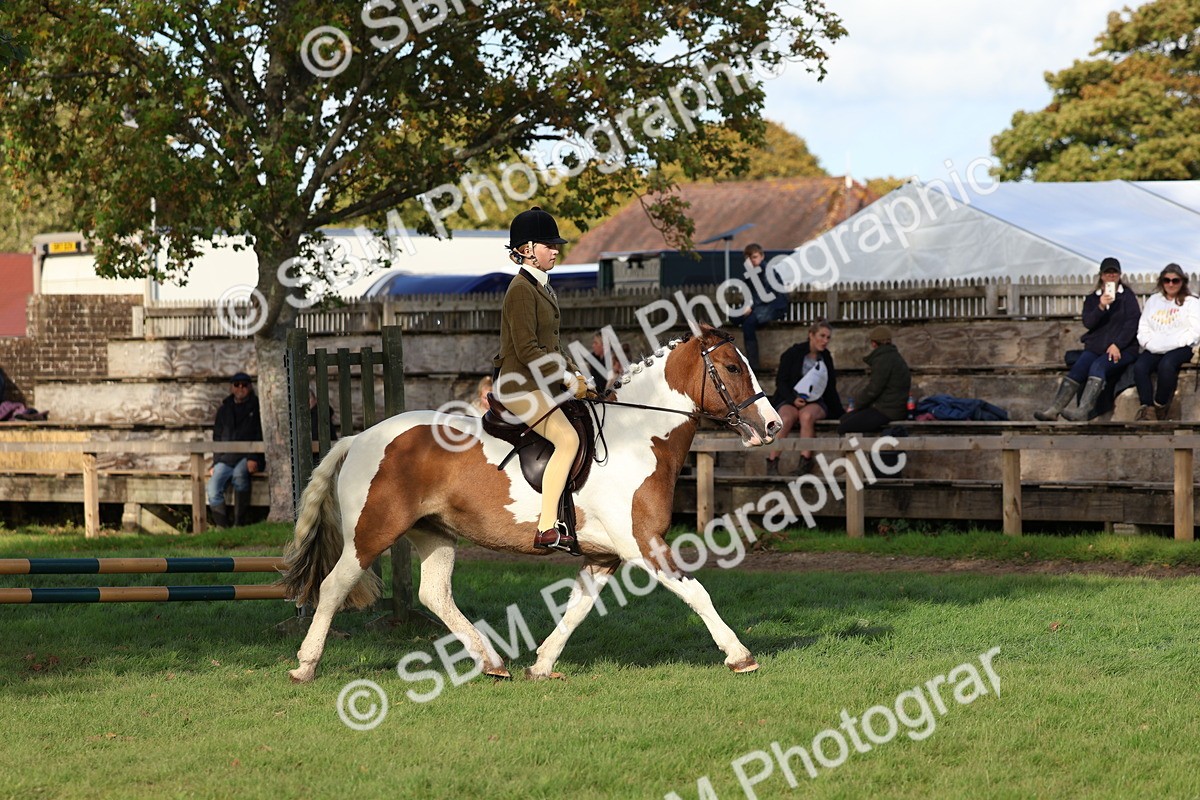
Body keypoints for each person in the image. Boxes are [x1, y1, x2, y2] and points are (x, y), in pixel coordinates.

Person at [493, 207, 588, 555]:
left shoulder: (543, 288)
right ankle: (547, 527)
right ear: (528, 248)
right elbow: (528, 348)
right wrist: (563, 377)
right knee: (566, 440)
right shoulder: (520, 290)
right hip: (520, 386)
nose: (556, 249)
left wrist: (577, 373)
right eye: (549, 244)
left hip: (542, 384)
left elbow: (554, 345)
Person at [1035, 257, 1140, 422]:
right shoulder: (1093, 298)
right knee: (1079, 367)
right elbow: (1088, 322)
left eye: (1114, 272)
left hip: (1124, 348)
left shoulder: (1127, 297)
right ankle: (1054, 410)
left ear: (1120, 275)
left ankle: (1083, 410)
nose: (1111, 276)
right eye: (1108, 272)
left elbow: (1132, 324)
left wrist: (1117, 344)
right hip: (1096, 347)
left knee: (1098, 366)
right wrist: (1101, 306)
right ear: (1101, 275)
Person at [767, 320, 843, 475]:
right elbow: (781, 381)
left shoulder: (826, 357)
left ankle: (804, 463)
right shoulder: (792, 353)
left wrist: (841, 414)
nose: (825, 341)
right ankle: (772, 463)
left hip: (815, 401)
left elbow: (829, 387)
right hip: (790, 398)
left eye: (828, 338)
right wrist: (792, 399)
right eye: (822, 336)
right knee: (786, 419)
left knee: (806, 416)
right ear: (811, 335)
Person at [1132, 264, 1200, 421]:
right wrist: (1148, 343)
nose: (1171, 284)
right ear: (1161, 282)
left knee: (1166, 365)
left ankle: (1160, 405)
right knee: (1140, 367)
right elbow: (1143, 326)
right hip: (1155, 346)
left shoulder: (1192, 302)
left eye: (1175, 280)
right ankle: (1147, 409)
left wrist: (1178, 342)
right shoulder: (1154, 301)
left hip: (1182, 346)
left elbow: (1195, 330)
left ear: (1182, 282)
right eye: (1166, 280)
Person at [207, 371, 264, 528]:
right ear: (232, 387)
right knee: (212, 487)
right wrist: (215, 462)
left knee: (240, 475)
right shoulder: (224, 410)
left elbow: (260, 434)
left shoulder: (257, 407)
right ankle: (223, 527)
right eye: (237, 385)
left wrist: (254, 457)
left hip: (246, 457)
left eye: (244, 385)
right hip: (225, 458)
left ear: (250, 387)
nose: (240, 388)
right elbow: (217, 438)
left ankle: (239, 524)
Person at [837, 326, 911, 434]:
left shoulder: (883, 360)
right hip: (892, 409)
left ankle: (856, 450)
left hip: (887, 411)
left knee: (844, 427)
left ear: (873, 343)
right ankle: (858, 449)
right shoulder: (894, 357)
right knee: (845, 419)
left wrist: (858, 404)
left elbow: (873, 390)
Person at [727, 243, 789, 371]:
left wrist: (751, 307)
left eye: (755, 257)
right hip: (759, 307)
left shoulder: (767, 271)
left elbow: (770, 294)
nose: (752, 261)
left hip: (773, 307)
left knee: (748, 324)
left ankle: (753, 365)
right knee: (734, 317)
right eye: (749, 259)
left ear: (762, 256)